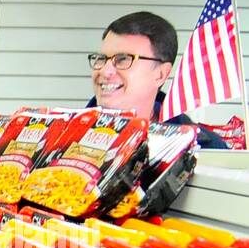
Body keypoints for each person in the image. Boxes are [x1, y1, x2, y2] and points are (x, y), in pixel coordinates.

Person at [88, 11, 229, 149]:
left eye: (123, 59)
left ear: (161, 74)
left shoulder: (207, 148)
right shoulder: (67, 139)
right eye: (102, 59)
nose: (105, 71)